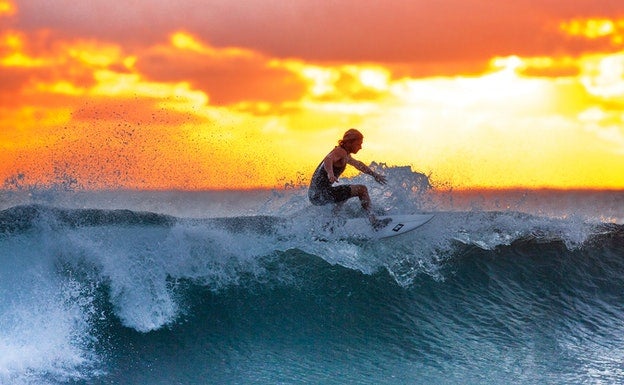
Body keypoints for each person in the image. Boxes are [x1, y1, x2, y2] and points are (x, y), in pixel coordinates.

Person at [308, 128, 390, 229]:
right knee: (362, 189)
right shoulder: (340, 151)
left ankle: (330, 225)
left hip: (315, 195)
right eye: (358, 144)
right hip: (321, 193)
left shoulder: (345, 155)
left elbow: (358, 165)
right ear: (349, 142)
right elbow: (328, 159)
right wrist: (330, 173)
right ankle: (373, 221)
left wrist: (374, 175)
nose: (360, 147)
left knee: (345, 194)